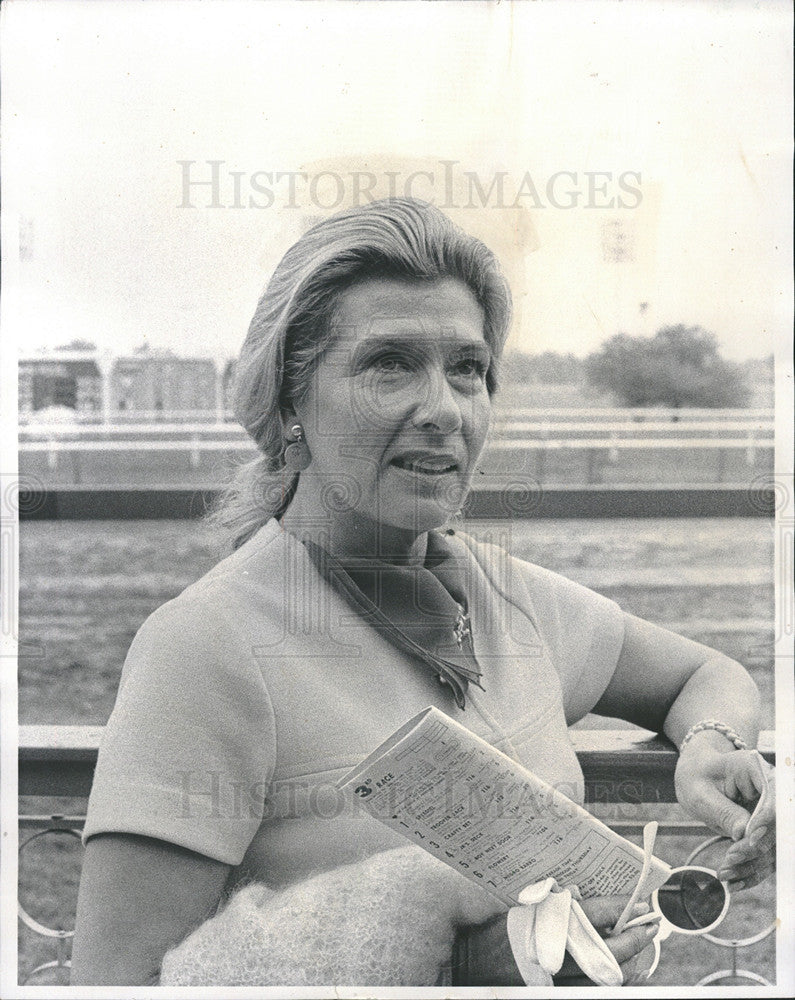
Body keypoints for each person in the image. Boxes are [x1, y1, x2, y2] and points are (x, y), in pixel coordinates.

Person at [71, 198, 774, 987]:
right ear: (288, 403)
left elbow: (701, 674)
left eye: (467, 369)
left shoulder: (511, 598)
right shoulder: (205, 646)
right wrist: (448, 943)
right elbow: (116, 982)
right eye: (389, 364)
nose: (442, 408)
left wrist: (710, 744)